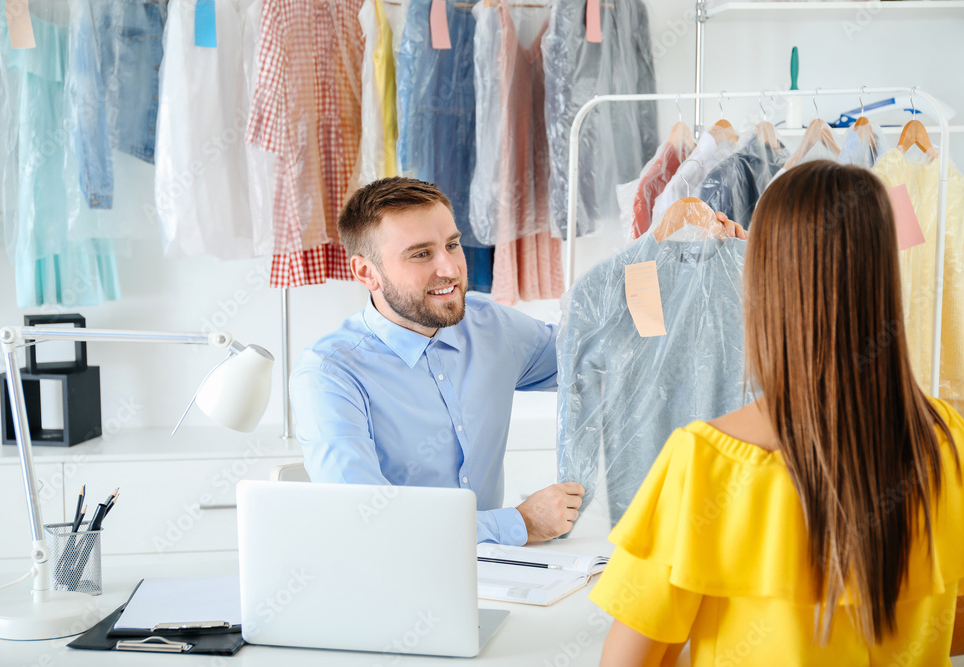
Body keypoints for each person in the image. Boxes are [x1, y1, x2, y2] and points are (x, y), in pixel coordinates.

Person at [590, 161, 964, 666]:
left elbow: (625, 662)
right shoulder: (949, 444)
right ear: (885, 280)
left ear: (763, 285)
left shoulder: (705, 463)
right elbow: (951, 628)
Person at [291, 176, 746, 546]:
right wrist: (518, 524)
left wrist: (695, 272)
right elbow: (367, 520)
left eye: (451, 245)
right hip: (390, 581)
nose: (449, 269)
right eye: (421, 254)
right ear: (365, 272)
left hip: (497, 576)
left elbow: (595, 353)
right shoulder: (330, 374)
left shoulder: (490, 327)